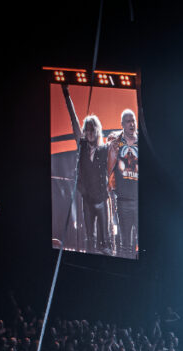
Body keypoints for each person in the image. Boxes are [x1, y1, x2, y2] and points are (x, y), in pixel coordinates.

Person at [61, 84, 110, 252]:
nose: (89, 132)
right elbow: (73, 119)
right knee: (90, 240)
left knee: (105, 242)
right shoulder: (81, 146)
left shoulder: (104, 150)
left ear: (97, 131)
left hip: (102, 201)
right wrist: (66, 94)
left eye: (92, 130)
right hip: (88, 202)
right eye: (87, 130)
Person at [107, 108, 138, 257]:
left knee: (141, 242)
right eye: (128, 121)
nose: (132, 123)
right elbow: (109, 169)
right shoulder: (116, 145)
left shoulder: (141, 142)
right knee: (125, 243)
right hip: (124, 200)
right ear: (122, 124)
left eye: (133, 120)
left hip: (139, 200)